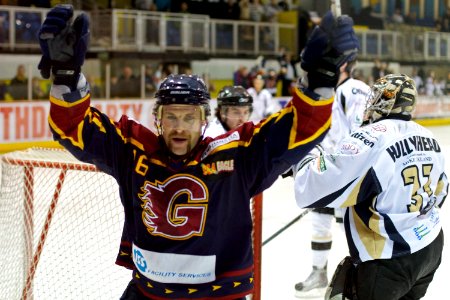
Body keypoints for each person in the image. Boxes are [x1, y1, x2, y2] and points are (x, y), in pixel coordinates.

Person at [38, 5, 358, 299]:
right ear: (158, 120)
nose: (180, 126)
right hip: (148, 293)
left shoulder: (236, 157)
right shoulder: (134, 151)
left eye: (189, 117)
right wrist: (66, 77)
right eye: (171, 116)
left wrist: (320, 81)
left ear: (204, 120)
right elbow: (73, 129)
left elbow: (300, 130)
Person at [294, 74, 448, 300]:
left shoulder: (371, 137)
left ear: (386, 100)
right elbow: (441, 193)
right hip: (430, 247)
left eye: (377, 95)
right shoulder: (429, 137)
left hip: (391, 257)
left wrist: (307, 154)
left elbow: (313, 187)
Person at [294, 59, 370, 298]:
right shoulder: (325, 91)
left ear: (344, 65)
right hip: (324, 168)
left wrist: (348, 169)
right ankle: (318, 272)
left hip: (345, 170)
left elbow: (361, 133)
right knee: (319, 221)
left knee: (347, 226)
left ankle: (360, 278)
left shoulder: (354, 89)